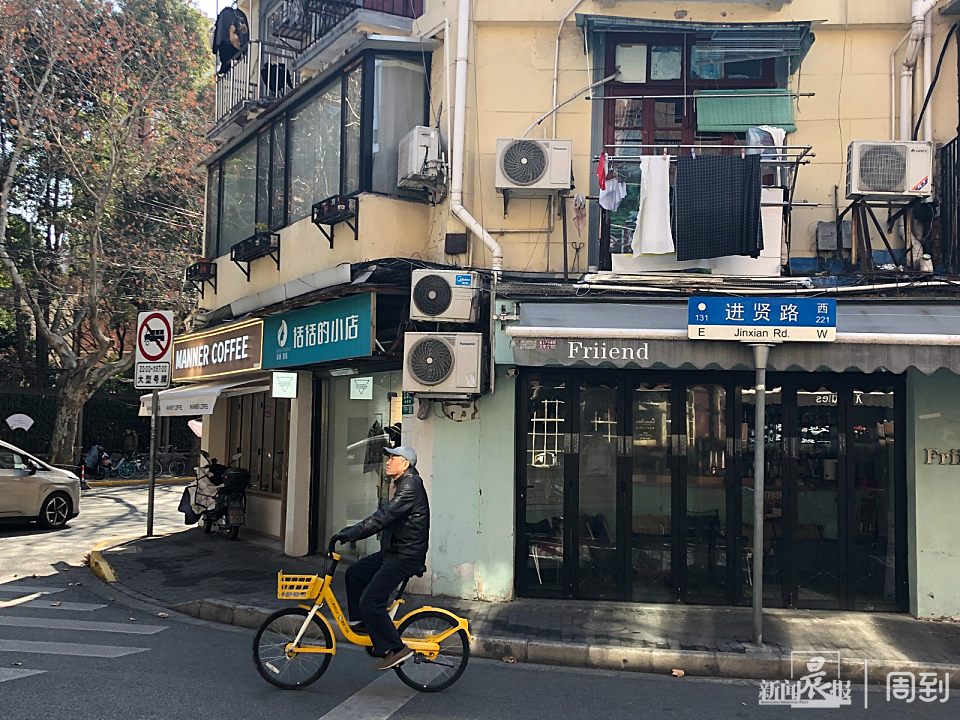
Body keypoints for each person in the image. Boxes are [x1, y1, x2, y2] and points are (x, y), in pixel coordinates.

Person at [333, 445, 429, 670]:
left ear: (405, 464)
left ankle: (397, 649)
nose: (387, 462)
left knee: (370, 601)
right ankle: (366, 623)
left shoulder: (410, 485)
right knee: (355, 573)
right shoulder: (401, 483)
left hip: (405, 556)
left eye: (393, 458)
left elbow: (382, 518)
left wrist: (351, 533)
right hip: (392, 552)